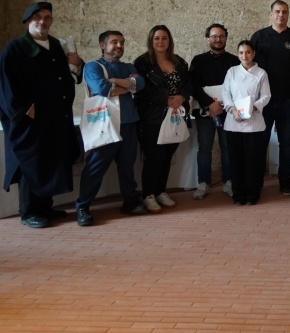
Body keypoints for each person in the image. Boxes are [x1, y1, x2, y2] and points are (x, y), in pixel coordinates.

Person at [0, 2, 84, 228]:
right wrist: (27, 109)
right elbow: (7, 85)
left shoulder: (56, 45)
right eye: (37, 17)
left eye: (47, 17)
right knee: (31, 164)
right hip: (31, 119)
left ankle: (45, 207)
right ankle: (29, 212)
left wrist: (78, 64)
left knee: (52, 161)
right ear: (28, 20)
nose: (43, 21)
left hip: (55, 117)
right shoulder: (15, 49)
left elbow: (69, 73)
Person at [75, 31, 146, 226]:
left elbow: (140, 84)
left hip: (129, 123)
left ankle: (130, 202)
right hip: (104, 125)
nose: (119, 46)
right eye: (114, 42)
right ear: (102, 45)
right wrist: (127, 85)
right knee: (95, 168)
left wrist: (115, 83)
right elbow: (102, 89)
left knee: (127, 167)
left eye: (122, 42)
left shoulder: (128, 66)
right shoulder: (92, 67)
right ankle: (83, 207)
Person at [251, 0, 290, 196]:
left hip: (288, 100)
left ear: (288, 14)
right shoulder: (258, 37)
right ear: (270, 14)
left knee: (287, 142)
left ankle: (285, 180)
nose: (280, 15)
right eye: (277, 12)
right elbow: (250, 68)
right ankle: (257, 180)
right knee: (261, 141)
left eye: (284, 12)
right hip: (263, 101)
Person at [134, 25, 192, 213]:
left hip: (176, 116)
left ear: (170, 41)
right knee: (154, 157)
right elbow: (141, 90)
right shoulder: (142, 63)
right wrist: (165, 99)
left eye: (164, 38)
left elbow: (188, 84)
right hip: (153, 118)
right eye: (157, 38)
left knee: (167, 156)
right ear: (151, 41)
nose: (161, 42)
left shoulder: (179, 62)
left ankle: (161, 191)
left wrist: (182, 97)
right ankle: (148, 195)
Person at [189, 23, 239, 200]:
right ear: (207, 39)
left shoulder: (234, 61)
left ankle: (229, 182)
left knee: (228, 148)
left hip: (228, 111)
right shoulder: (198, 60)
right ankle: (204, 183)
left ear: (226, 38)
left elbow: (238, 87)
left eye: (221, 36)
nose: (218, 39)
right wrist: (210, 104)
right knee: (204, 148)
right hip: (205, 111)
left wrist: (224, 105)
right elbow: (193, 86)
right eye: (214, 36)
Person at [221, 40, 272, 206]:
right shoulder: (232, 72)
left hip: (254, 122)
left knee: (253, 160)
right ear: (238, 54)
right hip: (233, 121)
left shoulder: (261, 73)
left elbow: (266, 96)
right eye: (241, 52)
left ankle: (252, 193)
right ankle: (238, 194)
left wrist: (252, 108)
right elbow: (226, 94)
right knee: (236, 160)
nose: (245, 56)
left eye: (248, 52)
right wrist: (234, 110)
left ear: (254, 54)